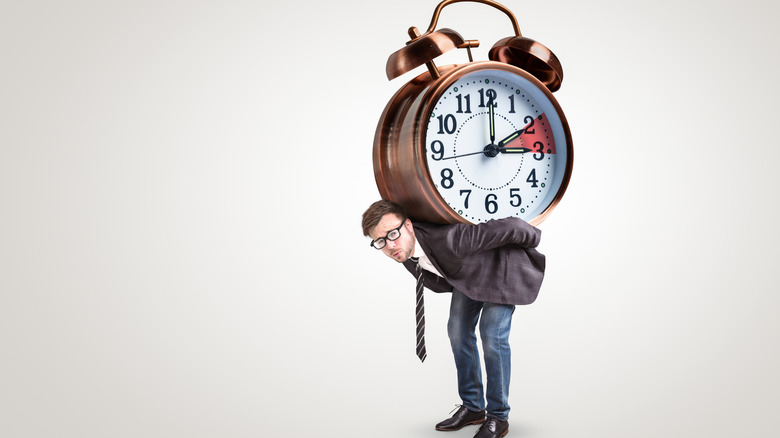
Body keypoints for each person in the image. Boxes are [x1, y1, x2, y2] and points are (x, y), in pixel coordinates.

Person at [361, 200, 546, 438]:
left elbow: (512, 226)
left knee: (491, 335)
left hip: (500, 269)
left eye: (392, 234)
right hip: (469, 275)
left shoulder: (451, 240)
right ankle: (473, 407)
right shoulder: (402, 252)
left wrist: (534, 240)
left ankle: (498, 417)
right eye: (380, 241)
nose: (389, 244)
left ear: (408, 225)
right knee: (457, 331)